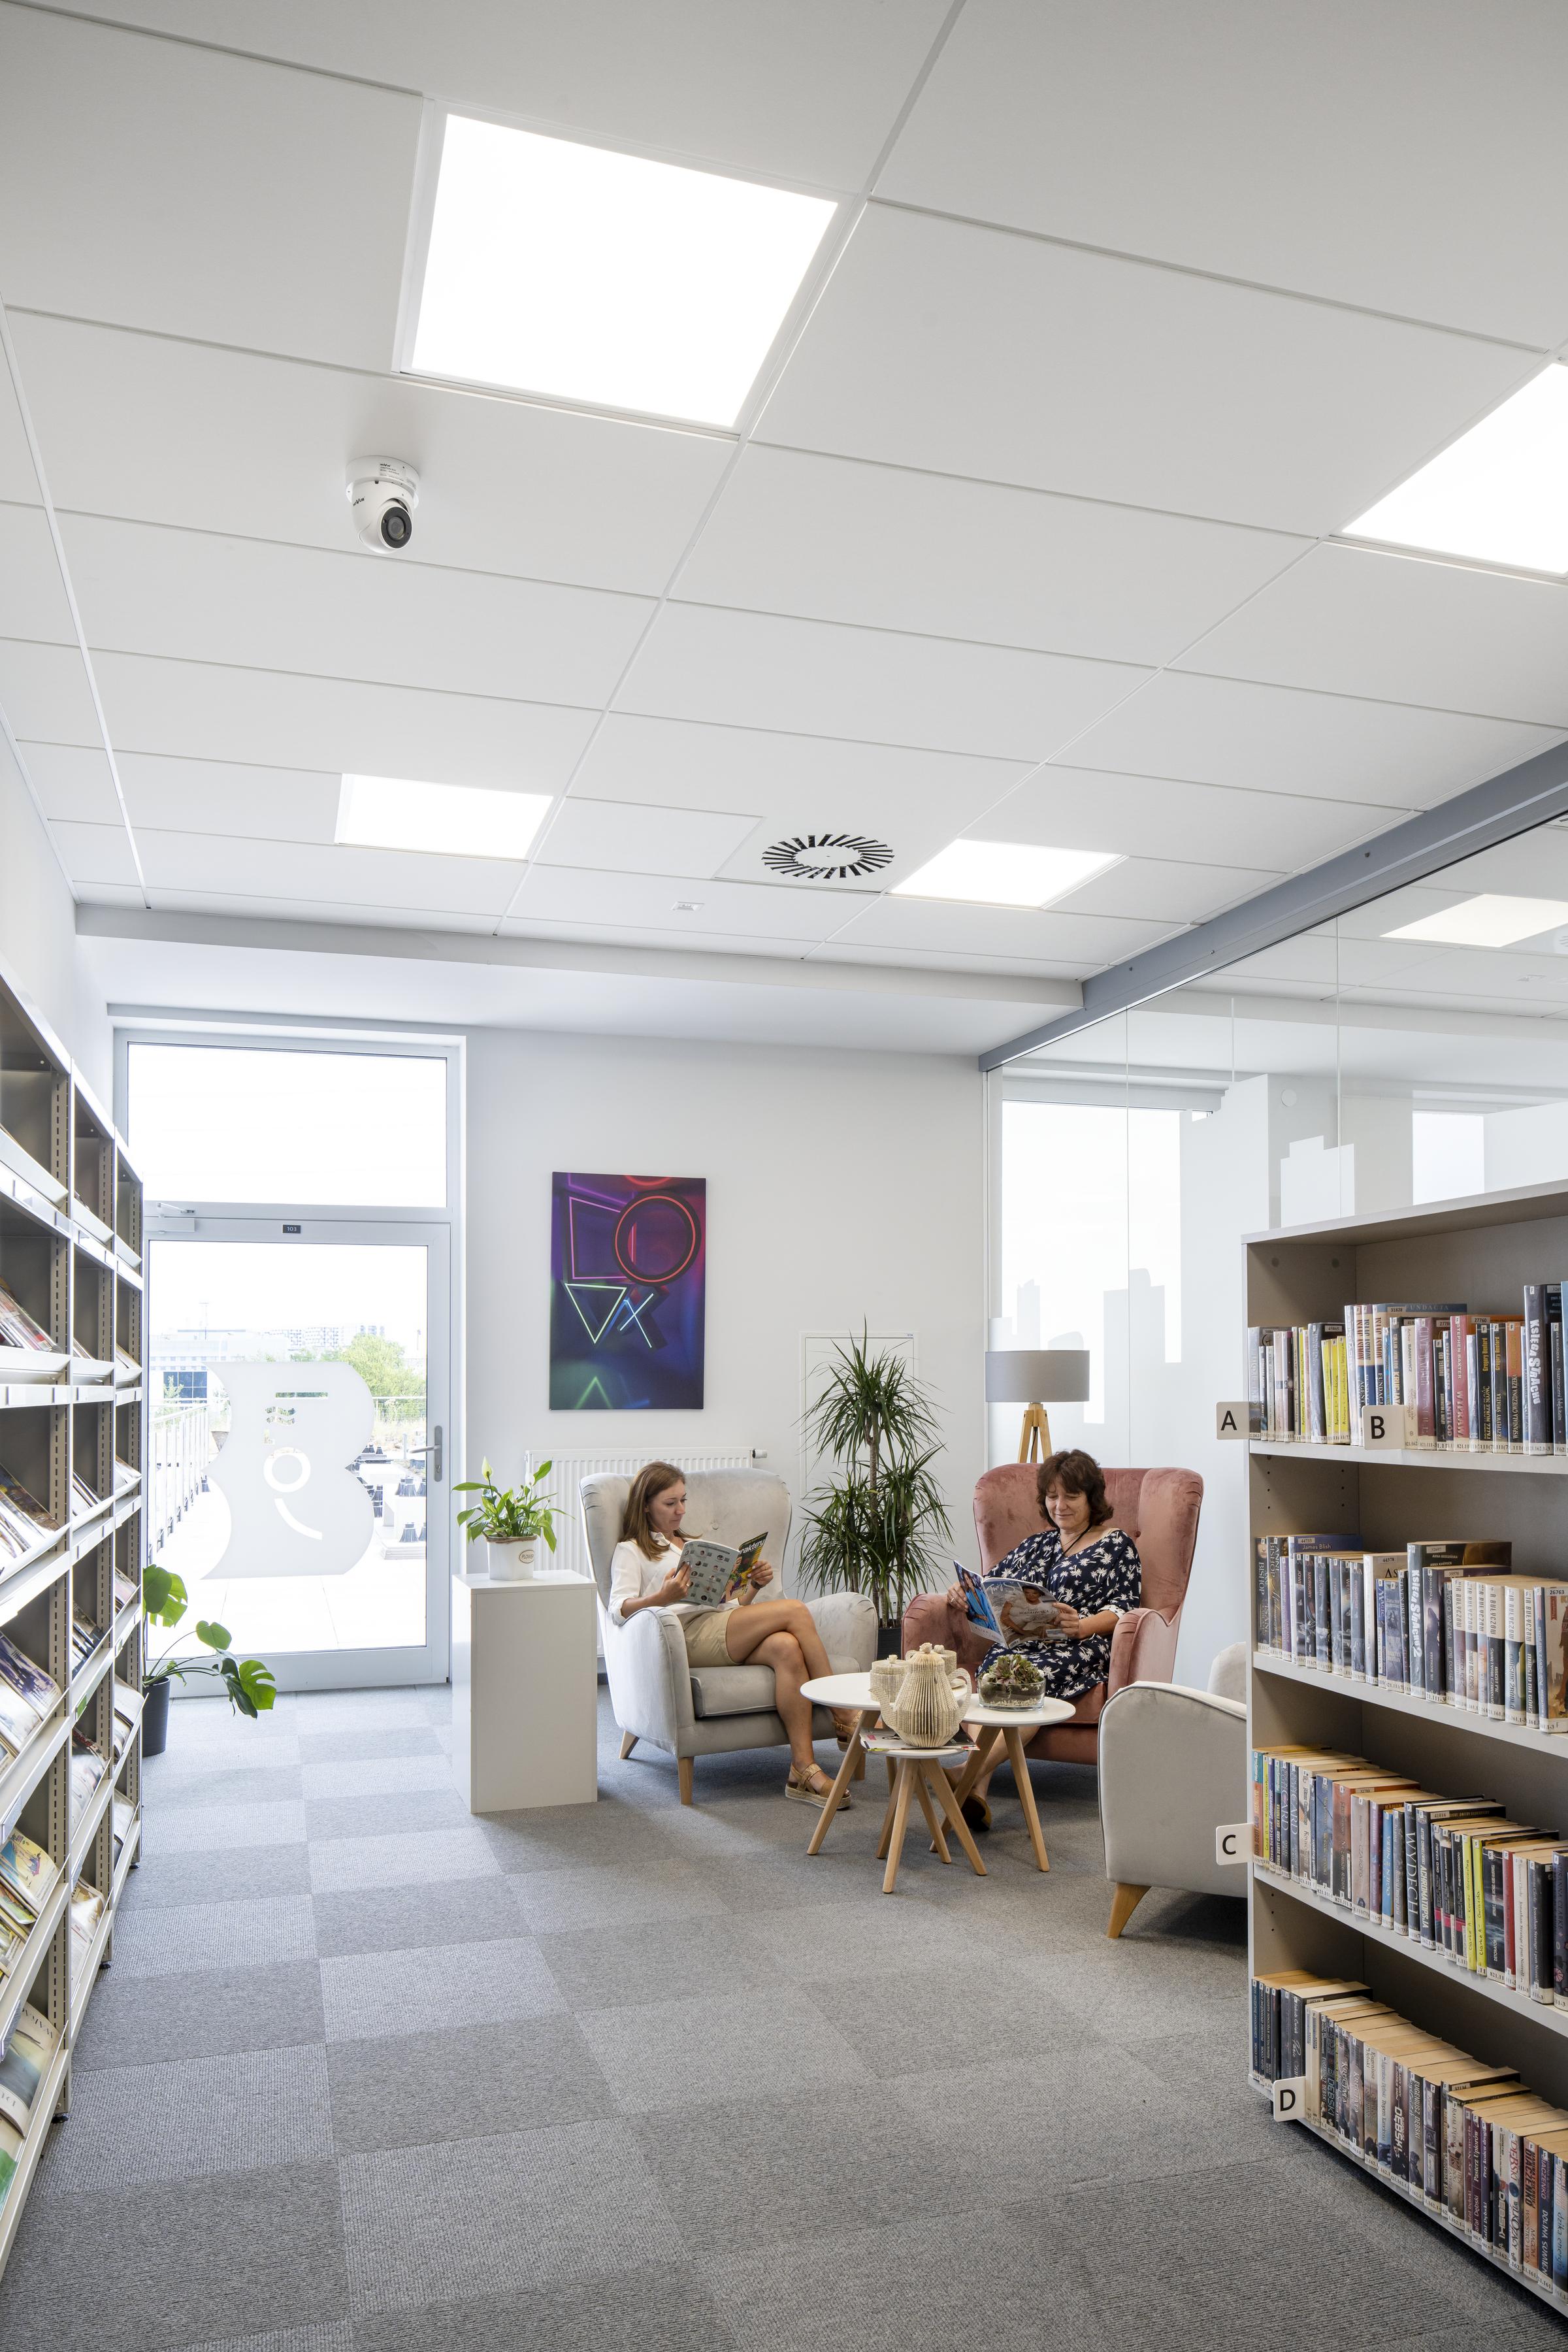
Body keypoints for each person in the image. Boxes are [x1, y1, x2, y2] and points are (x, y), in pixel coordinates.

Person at [606, 1461, 855, 1806]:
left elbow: (726, 1607)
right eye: (670, 1503)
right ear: (646, 1504)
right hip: (682, 1635)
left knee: (785, 1646)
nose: (680, 1510)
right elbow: (617, 1609)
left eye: (683, 1500)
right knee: (795, 1611)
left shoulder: (691, 1545)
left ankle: (803, 1770)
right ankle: (842, 1713)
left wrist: (751, 1585)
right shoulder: (631, 1549)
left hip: (716, 1625)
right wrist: (661, 1598)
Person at [943, 1448, 1139, 1828]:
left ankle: (965, 1772)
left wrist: (1081, 1625)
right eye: (1052, 1496)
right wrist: (962, 1591)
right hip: (1021, 1645)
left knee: (1028, 1688)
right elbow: (990, 1584)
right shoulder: (1039, 1543)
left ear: (1092, 1498)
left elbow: (1124, 1608)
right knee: (995, 1680)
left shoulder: (1116, 1545)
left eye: (1071, 1496)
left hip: (1077, 1647)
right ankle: (977, 1793)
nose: (1060, 1505)